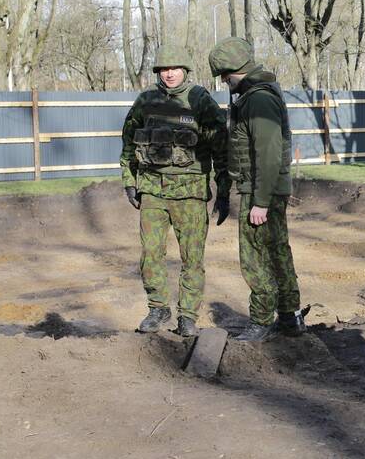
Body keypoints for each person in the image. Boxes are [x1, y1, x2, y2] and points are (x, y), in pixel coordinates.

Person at [120, 46, 229, 338]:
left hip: (191, 194)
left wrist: (224, 190)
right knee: (150, 254)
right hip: (153, 192)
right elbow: (129, 141)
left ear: (185, 70)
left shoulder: (200, 100)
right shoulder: (147, 100)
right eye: (163, 69)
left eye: (175, 68)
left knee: (192, 258)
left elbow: (221, 146)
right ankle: (158, 308)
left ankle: (187, 315)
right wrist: (129, 180)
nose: (169, 73)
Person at [207, 37, 304, 341]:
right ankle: (290, 317)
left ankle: (261, 321)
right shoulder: (255, 96)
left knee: (254, 257)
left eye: (225, 74)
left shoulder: (258, 99)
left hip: (261, 191)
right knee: (277, 251)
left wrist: (259, 201)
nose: (224, 80)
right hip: (266, 188)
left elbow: (269, 152)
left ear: (237, 69)